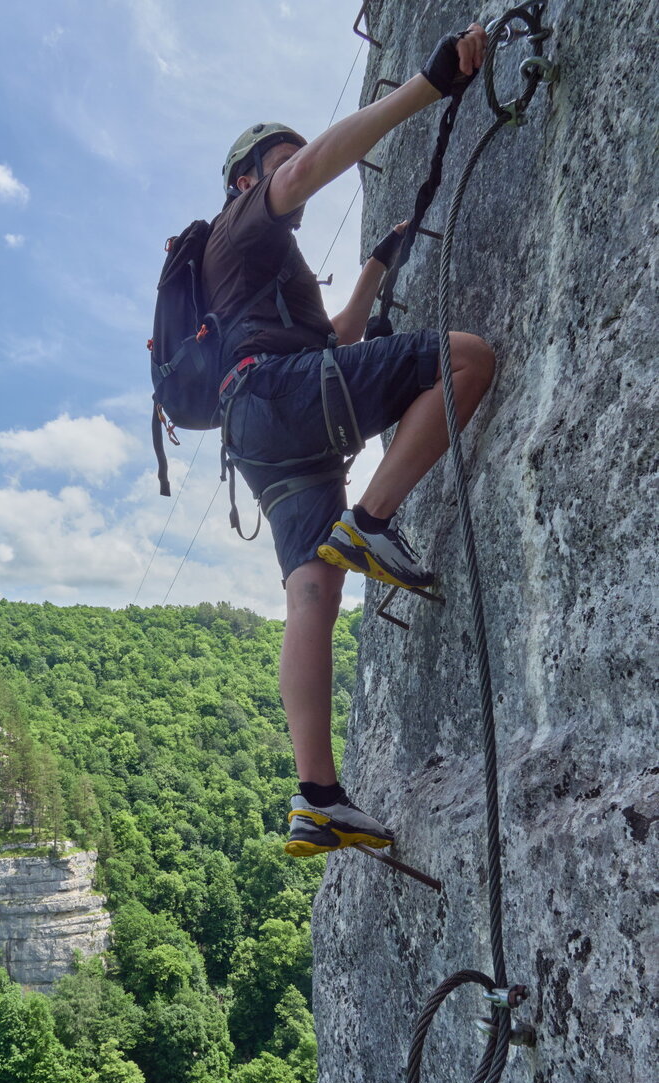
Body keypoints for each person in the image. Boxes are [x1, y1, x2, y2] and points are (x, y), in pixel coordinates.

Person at [201, 24, 495, 857]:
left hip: (260, 425)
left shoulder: (250, 275)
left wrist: (374, 264)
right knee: (466, 361)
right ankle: (370, 520)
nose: (296, 177)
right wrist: (425, 86)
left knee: (311, 594)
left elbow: (334, 341)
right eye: (281, 163)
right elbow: (300, 172)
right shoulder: (241, 224)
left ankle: (319, 798)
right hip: (279, 398)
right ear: (247, 178)